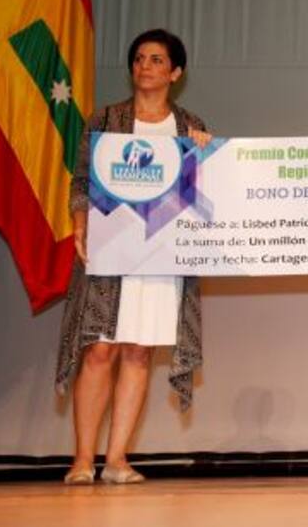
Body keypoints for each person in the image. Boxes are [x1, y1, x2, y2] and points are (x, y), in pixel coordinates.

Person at [55, 29, 213, 485]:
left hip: (161, 255)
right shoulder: (105, 120)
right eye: (140, 58)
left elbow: (203, 193)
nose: (146, 66)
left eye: (157, 60)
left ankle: (118, 460)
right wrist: (80, 221)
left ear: (176, 72)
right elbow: (81, 180)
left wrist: (208, 153)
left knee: (140, 351)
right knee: (100, 350)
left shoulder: (189, 127)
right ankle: (83, 460)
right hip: (112, 248)